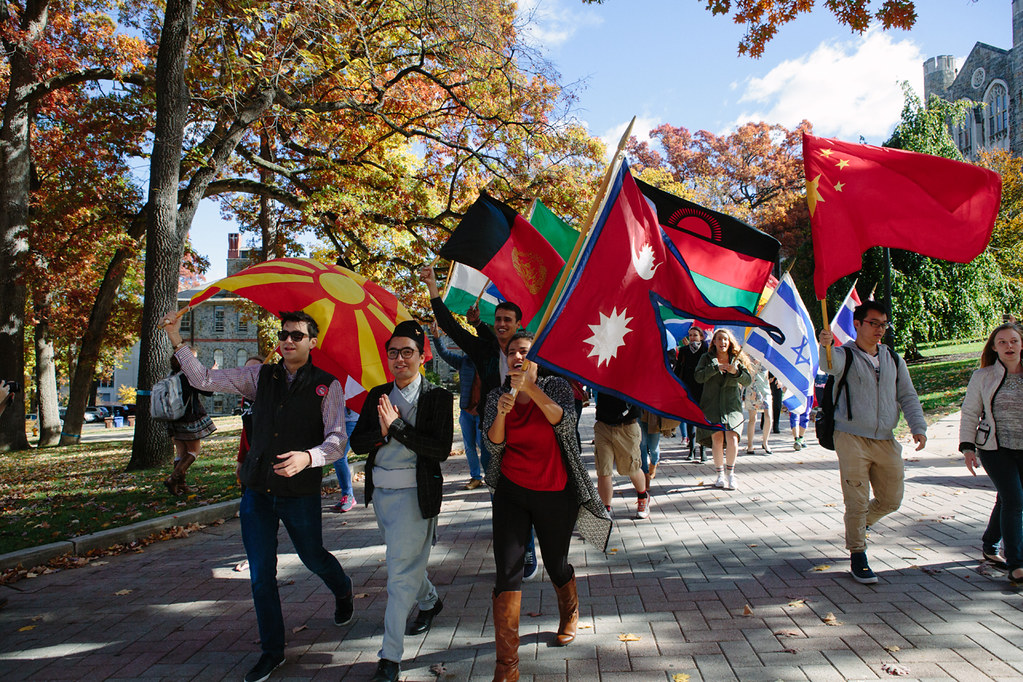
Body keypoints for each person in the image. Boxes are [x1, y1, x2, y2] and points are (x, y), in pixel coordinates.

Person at [160, 309, 354, 682]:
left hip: (299, 491)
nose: (288, 340)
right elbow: (203, 379)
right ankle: (272, 651)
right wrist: (176, 339)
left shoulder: (327, 386)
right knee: (261, 575)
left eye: (297, 335)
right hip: (258, 492)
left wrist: (309, 457)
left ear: (313, 342)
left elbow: (337, 438)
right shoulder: (258, 375)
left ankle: (342, 588)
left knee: (313, 556)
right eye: (284, 334)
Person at [482, 331, 611, 682]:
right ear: (506, 359)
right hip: (511, 492)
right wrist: (501, 414)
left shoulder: (555, 387)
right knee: (507, 571)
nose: (518, 357)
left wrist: (530, 390)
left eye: (524, 351)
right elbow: (493, 445)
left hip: (555, 491)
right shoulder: (497, 394)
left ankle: (569, 611)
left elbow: (564, 422)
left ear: (535, 358)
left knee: (556, 564)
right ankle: (506, 667)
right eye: (512, 352)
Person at [419, 265, 540, 579]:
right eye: (497, 319)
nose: (500, 324)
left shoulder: (532, 353)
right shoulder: (483, 349)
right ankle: (515, 542)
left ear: (517, 325)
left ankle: (527, 544)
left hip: (525, 432)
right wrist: (433, 288)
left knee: (523, 491)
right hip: (493, 432)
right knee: (499, 491)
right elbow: (450, 326)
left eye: (506, 320)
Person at [350, 321, 454, 682]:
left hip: (416, 496)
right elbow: (358, 444)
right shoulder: (377, 394)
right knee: (404, 562)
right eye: (393, 352)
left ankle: (389, 657)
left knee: (397, 574)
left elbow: (439, 449)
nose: (399, 359)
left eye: (407, 351)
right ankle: (429, 600)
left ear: (422, 355)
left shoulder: (437, 398)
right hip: (381, 495)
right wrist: (380, 432)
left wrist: (397, 429)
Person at [818, 301, 927, 585]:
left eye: (883, 324)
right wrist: (825, 344)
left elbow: (908, 396)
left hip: (886, 439)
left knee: (892, 499)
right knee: (855, 499)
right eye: (874, 323)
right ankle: (858, 553)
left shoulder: (893, 359)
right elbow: (828, 365)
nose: (880, 329)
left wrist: (918, 427)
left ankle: (862, 524)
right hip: (850, 437)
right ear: (858, 324)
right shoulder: (844, 355)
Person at [959, 322, 1023, 584]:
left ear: (1022, 344)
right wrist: (967, 447)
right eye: (1003, 342)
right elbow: (970, 412)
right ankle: (1016, 563)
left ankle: (989, 544)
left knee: (1008, 499)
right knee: (1015, 500)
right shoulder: (982, 376)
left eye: (1014, 341)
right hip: (995, 449)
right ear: (994, 348)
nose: (1009, 346)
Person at [695, 328, 752, 491]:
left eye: (725, 339)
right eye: (719, 339)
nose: (722, 342)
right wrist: (715, 368)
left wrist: (736, 372)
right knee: (717, 439)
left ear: (730, 341)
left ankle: (731, 474)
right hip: (712, 405)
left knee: (733, 438)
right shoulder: (706, 358)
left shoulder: (737, 358)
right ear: (714, 342)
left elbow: (747, 380)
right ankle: (720, 474)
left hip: (731, 406)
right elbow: (698, 377)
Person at [430, 322, 485, 489]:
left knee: (484, 445)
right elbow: (444, 354)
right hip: (467, 412)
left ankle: (490, 474)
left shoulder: (489, 363)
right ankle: (475, 477)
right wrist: (437, 337)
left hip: (482, 412)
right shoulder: (464, 362)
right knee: (469, 445)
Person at [163, 350, 217, 495]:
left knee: (181, 452)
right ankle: (173, 479)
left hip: (174, 418)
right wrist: (211, 373)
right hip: (189, 417)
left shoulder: (171, 375)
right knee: (194, 450)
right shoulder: (189, 376)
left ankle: (181, 485)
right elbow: (208, 391)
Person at [594, 391, 650, 519]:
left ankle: (643, 497)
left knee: (631, 468)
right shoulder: (603, 370)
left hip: (627, 425)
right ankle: (605, 511)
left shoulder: (634, 371)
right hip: (603, 425)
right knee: (604, 470)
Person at [674, 325, 708, 462]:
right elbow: (678, 369)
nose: (693, 337)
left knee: (702, 418)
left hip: (703, 388)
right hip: (688, 387)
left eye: (695, 335)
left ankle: (703, 449)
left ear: (701, 336)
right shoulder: (684, 350)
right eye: (691, 335)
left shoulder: (707, 349)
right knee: (690, 419)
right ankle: (692, 449)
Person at [743, 358, 773, 455]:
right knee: (753, 418)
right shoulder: (747, 356)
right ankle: (750, 445)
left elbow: (774, 369)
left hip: (765, 389)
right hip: (752, 389)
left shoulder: (766, 356)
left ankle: (765, 442)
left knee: (768, 416)